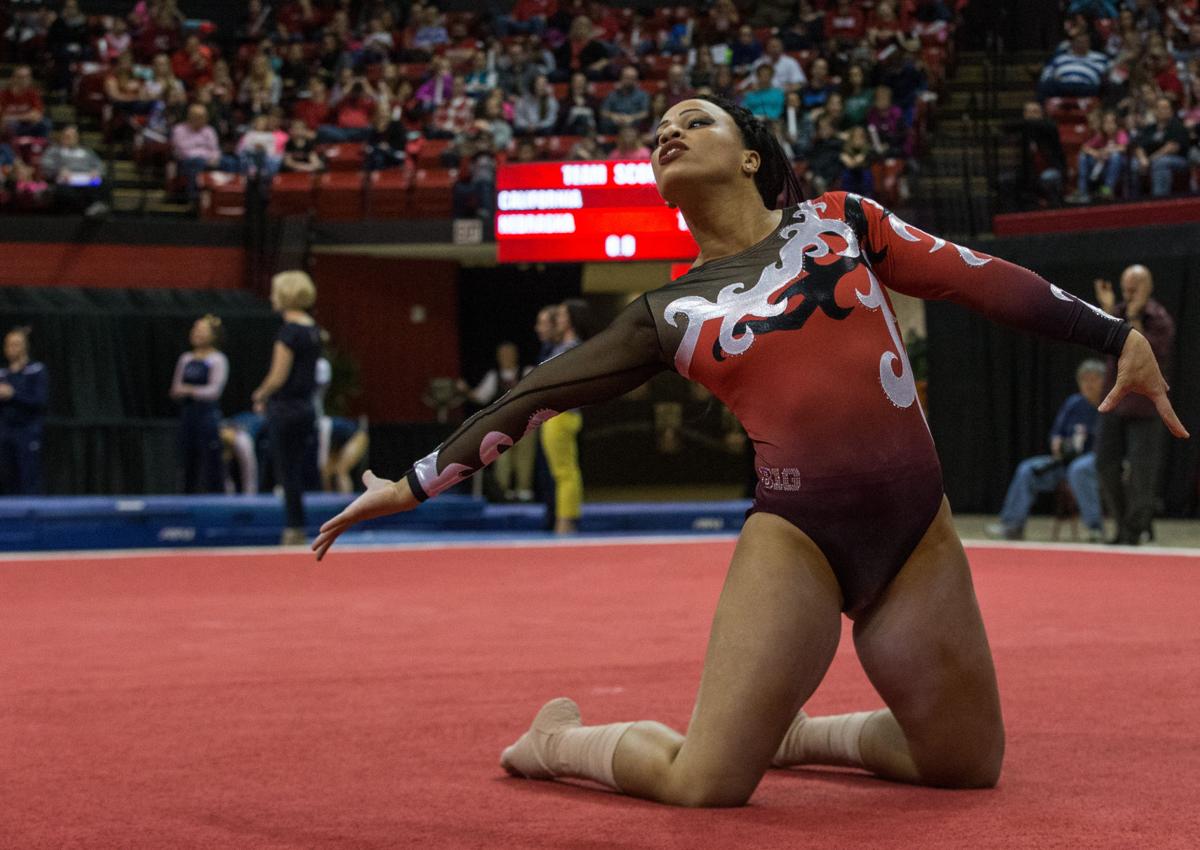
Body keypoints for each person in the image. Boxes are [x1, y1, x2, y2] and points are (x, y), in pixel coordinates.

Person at [312, 96, 1185, 808]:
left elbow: (977, 276)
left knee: (964, 763)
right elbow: (538, 393)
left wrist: (1117, 338)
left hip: (917, 534)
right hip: (798, 540)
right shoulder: (669, 313)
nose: (669, 133)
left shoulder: (842, 222)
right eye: (660, 132)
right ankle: (558, 742)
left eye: (695, 121)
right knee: (704, 782)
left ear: (750, 157)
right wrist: (416, 483)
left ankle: (799, 737)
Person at [1093, 266, 1176, 544]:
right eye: (1126, 287)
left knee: (1142, 473)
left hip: (1145, 406)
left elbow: (1143, 352)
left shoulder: (1159, 318)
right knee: (1104, 464)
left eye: (1135, 287)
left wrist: (1135, 316)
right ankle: (1122, 525)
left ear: (1147, 287)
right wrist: (1106, 311)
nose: (1129, 293)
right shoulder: (1116, 312)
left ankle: (1133, 531)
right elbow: (1103, 343)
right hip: (1115, 402)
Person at [986, 360, 1107, 542]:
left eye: (1094, 379)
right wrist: (1057, 444)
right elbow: (1056, 434)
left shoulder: (1109, 405)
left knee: (1079, 469)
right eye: (1084, 380)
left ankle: (1095, 528)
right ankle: (1012, 525)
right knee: (1028, 469)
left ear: (1105, 381)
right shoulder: (1073, 404)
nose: (1088, 384)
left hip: (1095, 462)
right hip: (1065, 462)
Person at [252, 271, 322, 546]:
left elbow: (278, 375)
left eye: (274, 292)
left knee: (286, 470)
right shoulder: (313, 329)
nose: (271, 297)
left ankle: (294, 527)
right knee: (295, 468)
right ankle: (296, 524)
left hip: (286, 408)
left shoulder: (289, 332)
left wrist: (260, 393)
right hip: (306, 407)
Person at [456, 342, 536, 502]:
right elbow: (481, 397)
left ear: (516, 356)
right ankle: (503, 492)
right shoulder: (494, 376)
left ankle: (524, 491)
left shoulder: (528, 372)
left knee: (525, 458)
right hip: (503, 425)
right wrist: (466, 390)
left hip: (526, 422)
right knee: (502, 460)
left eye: (509, 354)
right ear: (498, 358)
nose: (506, 357)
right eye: (503, 355)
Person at [170, 315, 229, 494]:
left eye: (202, 330)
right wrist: (189, 391)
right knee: (187, 458)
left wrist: (189, 390)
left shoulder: (217, 359)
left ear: (214, 335)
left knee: (211, 458)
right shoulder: (186, 358)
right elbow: (175, 388)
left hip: (207, 414)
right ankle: (186, 496)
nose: (197, 333)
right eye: (195, 330)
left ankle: (216, 497)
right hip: (188, 414)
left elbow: (214, 391)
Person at [0, 326, 49, 495]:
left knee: (28, 477)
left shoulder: (36, 370)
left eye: (16, 344)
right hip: (6, 432)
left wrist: (13, 394)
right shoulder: (3, 374)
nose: (11, 348)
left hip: (28, 431)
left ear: (25, 346)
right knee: (7, 477)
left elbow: (39, 401)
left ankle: (32, 509)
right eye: (8, 344)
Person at [39, 125, 111, 217]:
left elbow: (100, 166)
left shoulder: (87, 152)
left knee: (103, 183)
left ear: (77, 138)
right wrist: (58, 171)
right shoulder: (53, 151)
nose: (67, 139)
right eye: (65, 136)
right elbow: (46, 165)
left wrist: (96, 172)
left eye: (70, 137)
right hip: (66, 180)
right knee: (63, 191)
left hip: (87, 180)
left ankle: (96, 210)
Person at [1130, 97, 1190, 198]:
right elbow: (1139, 146)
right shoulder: (1149, 128)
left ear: (1171, 111)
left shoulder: (1177, 126)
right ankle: (1134, 200)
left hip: (1178, 160)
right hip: (1151, 160)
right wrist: (1142, 159)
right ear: (1155, 111)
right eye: (1160, 108)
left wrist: (1151, 159)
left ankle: (1159, 199)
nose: (1163, 111)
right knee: (1134, 163)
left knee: (1161, 162)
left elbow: (1172, 147)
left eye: (1166, 108)